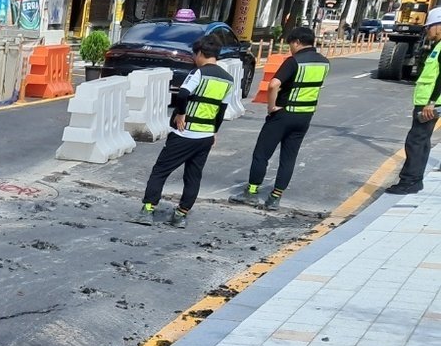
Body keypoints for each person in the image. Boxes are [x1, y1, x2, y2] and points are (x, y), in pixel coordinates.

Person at [136, 32, 234, 226]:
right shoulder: (228, 79)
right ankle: (181, 214)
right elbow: (221, 111)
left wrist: (181, 113)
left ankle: (147, 210)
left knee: (161, 170)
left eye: (194, 55)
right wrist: (214, 132)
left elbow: (182, 95)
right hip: (205, 135)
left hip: (185, 132)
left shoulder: (199, 72)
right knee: (193, 175)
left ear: (200, 53)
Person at [229, 25, 330, 210]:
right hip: (305, 116)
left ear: (297, 42)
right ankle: (275, 198)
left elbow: (274, 84)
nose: (291, 47)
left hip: (283, 113)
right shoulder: (324, 62)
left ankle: (251, 192)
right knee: (289, 157)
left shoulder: (294, 61)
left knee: (262, 153)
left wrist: (271, 106)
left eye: (291, 43)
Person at [387, 7, 441, 195]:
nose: (427, 31)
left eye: (430, 27)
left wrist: (432, 102)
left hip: (430, 103)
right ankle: (414, 181)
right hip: (428, 101)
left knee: (415, 141)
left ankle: (409, 181)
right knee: (421, 140)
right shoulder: (438, 46)